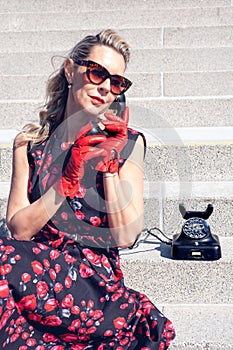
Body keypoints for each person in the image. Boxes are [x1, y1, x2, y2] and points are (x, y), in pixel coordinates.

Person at [0, 29, 175, 349]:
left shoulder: (130, 144)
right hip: (35, 283)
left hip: (96, 288)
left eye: (117, 82)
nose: (106, 87)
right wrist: (66, 181)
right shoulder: (30, 143)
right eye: (97, 73)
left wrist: (109, 166)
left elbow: (127, 235)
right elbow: (19, 230)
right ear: (70, 70)